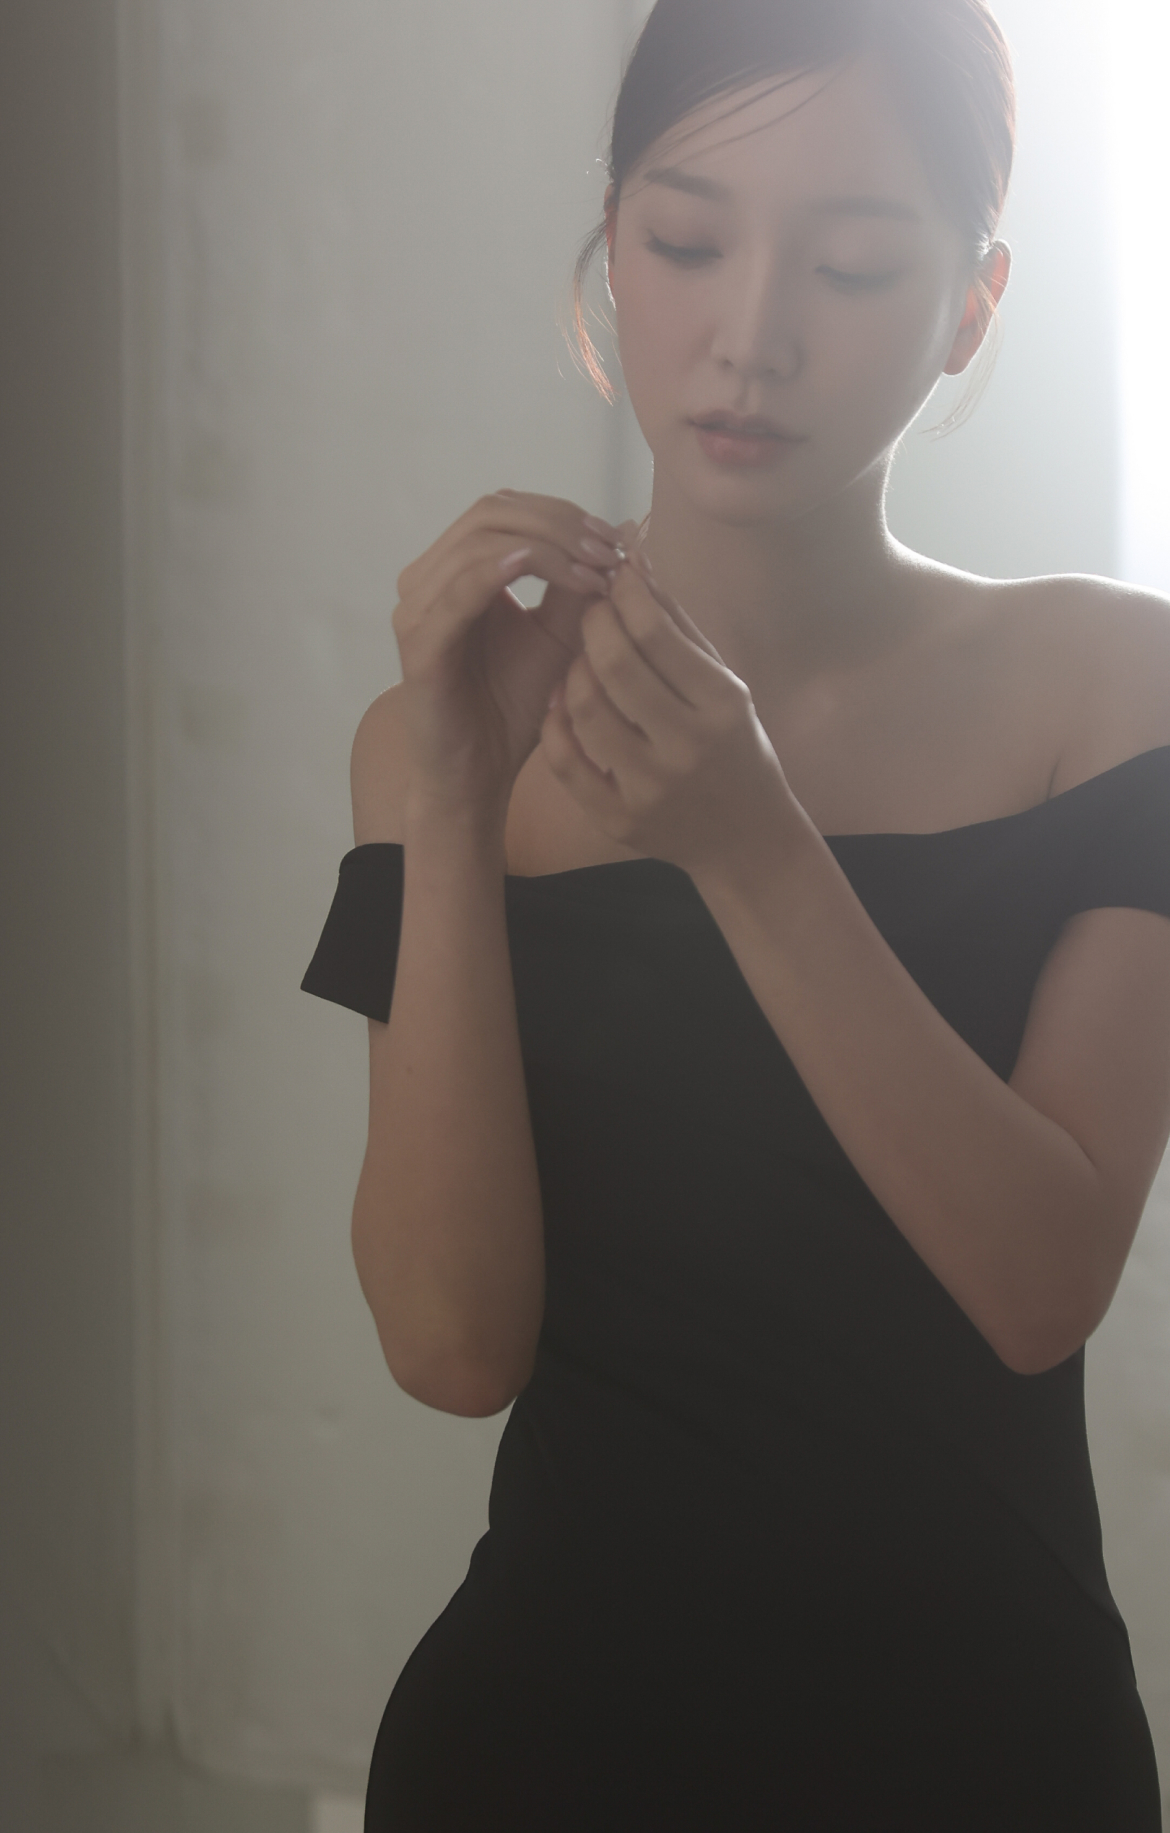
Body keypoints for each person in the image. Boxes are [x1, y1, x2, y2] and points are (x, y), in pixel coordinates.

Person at [301, 0, 1170, 1824]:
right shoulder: (434, 734)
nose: (749, 335)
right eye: (686, 242)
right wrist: (452, 793)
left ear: (972, 305)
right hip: (540, 1750)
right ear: (611, 248)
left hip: (987, 1753)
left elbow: (1037, 1288)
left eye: (849, 267)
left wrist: (749, 840)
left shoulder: (1112, 693)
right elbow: (451, 1346)